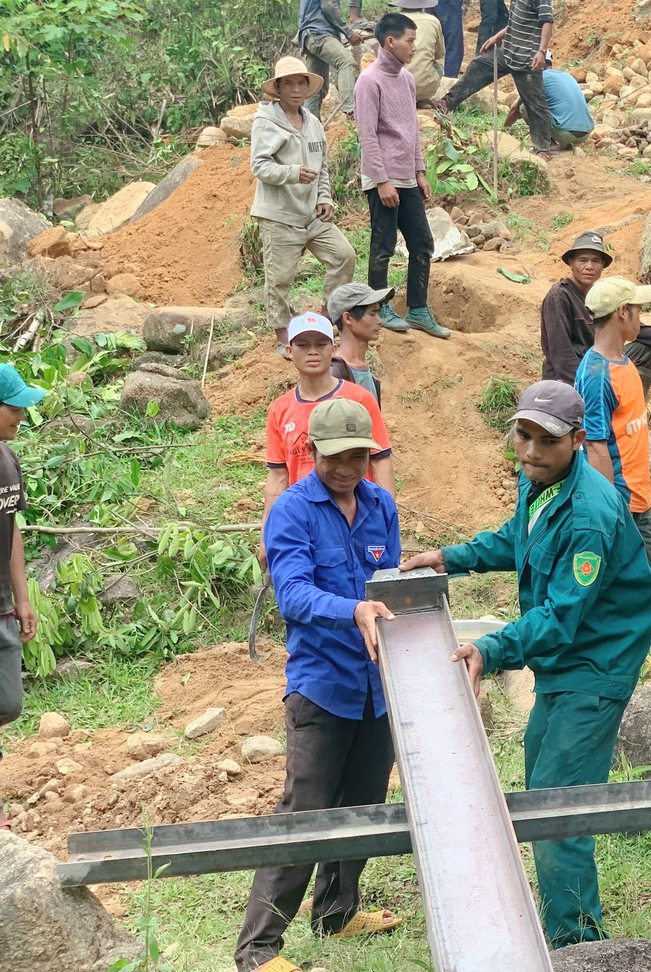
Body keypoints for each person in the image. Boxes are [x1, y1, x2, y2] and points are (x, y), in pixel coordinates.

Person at [401, 381, 651, 947]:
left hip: (595, 662)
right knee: (540, 776)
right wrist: (451, 558)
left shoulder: (590, 513)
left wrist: (490, 649)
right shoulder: (540, 481)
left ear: (577, 440)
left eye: (547, 441)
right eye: (524, 436)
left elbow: (561, 615)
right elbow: (518, 539)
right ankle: (564, 931)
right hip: (564, 664)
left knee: (556, 806)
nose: (532, 451)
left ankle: (579, 947)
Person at [235, 398, 404, 972]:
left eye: (358, 457)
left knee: (362, 805)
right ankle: (258, 951)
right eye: (335, 457)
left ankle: (337, 914)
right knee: (304, 813)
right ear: (311, 452)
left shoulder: (381, 505)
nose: (346, 468)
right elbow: (295, 595)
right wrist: (355, 609)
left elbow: (391, 583)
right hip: (321, 685)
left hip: (378, 687)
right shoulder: (291, 511)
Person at [251, 56, 357, 356]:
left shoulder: (312, 122)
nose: (296, 89)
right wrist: (292, 173)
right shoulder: (265, 121)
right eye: (289, 84)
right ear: (278, 88)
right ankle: (283, 337)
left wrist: (325, 197)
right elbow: (259, 166)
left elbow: (322, 167)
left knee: (344, 256)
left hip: (312, 215)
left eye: (301, 83)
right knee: (280, 279)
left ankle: (325, 319)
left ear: (308, 88)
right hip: (279, 216)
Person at [576, 277, 651, 596]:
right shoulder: (596, 375)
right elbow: (594, 447)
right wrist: (609, 511)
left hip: (637, 494)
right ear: (622, 313)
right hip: (621, 500)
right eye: (637, 310)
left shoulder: (625, 361)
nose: (641, 317)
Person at [357, 11, 451, 339]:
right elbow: (367, 135)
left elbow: (411, 129)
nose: (415, 47)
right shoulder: (369, 81)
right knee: (382, 244)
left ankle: (418, 309)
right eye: (410, 41)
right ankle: (380, 306)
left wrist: (420, 171)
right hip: (383, 177)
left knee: (422, 242)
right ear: (390, 41)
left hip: (407, 177)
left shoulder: (407, 80)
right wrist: (381, 180)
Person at [263, 312, 393, 541]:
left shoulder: (359, 399)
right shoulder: (279, 409)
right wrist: (268, 534)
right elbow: (278, 476)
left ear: (333, 350)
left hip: (359, 515)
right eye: (303, 345)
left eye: (321, 344)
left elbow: (380, 459)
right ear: (289, 352)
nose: (312, 351)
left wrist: (388, 517)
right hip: (304, 519)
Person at [442, 0, 556, 159]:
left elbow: (547, 20)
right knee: (479, 65)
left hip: (526, 57)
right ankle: (447, 103)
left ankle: (543, 148)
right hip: (510, 50)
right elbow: (516, 21)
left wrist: (542, 51)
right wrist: (496, 37)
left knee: (535, 103)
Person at [540, 230, 651, 394]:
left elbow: (628, 323)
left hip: (599, 363)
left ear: (603, 265)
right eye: (583, 260)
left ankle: (631, 406)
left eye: (596, 261)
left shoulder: (600, 294)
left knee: (641, 351)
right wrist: (583, 388)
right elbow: (560, 353)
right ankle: (608, 400)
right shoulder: (559, 297)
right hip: (569, 376)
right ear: (571, 262)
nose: (589, 266)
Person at [0, 365, 44, 763]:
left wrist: (22, 597)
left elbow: (11, 527)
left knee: (9, 704)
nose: (22, 416)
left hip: (2, 605)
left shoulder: (8, 459)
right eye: (14, 407)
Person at [298, 0, 367, 120]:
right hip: (319, 34)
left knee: (316, 88)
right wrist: (349, 32)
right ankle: (351, 110)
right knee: (346, 62)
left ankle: (309, 127)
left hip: (309, 36)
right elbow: (329, 7)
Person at [503, 52, 595, 149]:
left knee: (524, 107)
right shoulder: (566, 75)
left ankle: (548, 143)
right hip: (585, 133)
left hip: (565, 134)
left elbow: (515, 109)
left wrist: (503, 131)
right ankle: (566, 144)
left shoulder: (537, 79)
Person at [327, 282, 393, 403]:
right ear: (347, 318)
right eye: (372, 313)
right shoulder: (334, 376)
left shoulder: (364, 372)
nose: (379, 320)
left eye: (378, 313)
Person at [388, 0, 446, 105]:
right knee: (437, 66)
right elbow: (439, 54)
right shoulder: (433, 21)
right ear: (423, 2)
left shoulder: (392, 21)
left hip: (396, 87)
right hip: (425, 87)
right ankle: (422, 98)